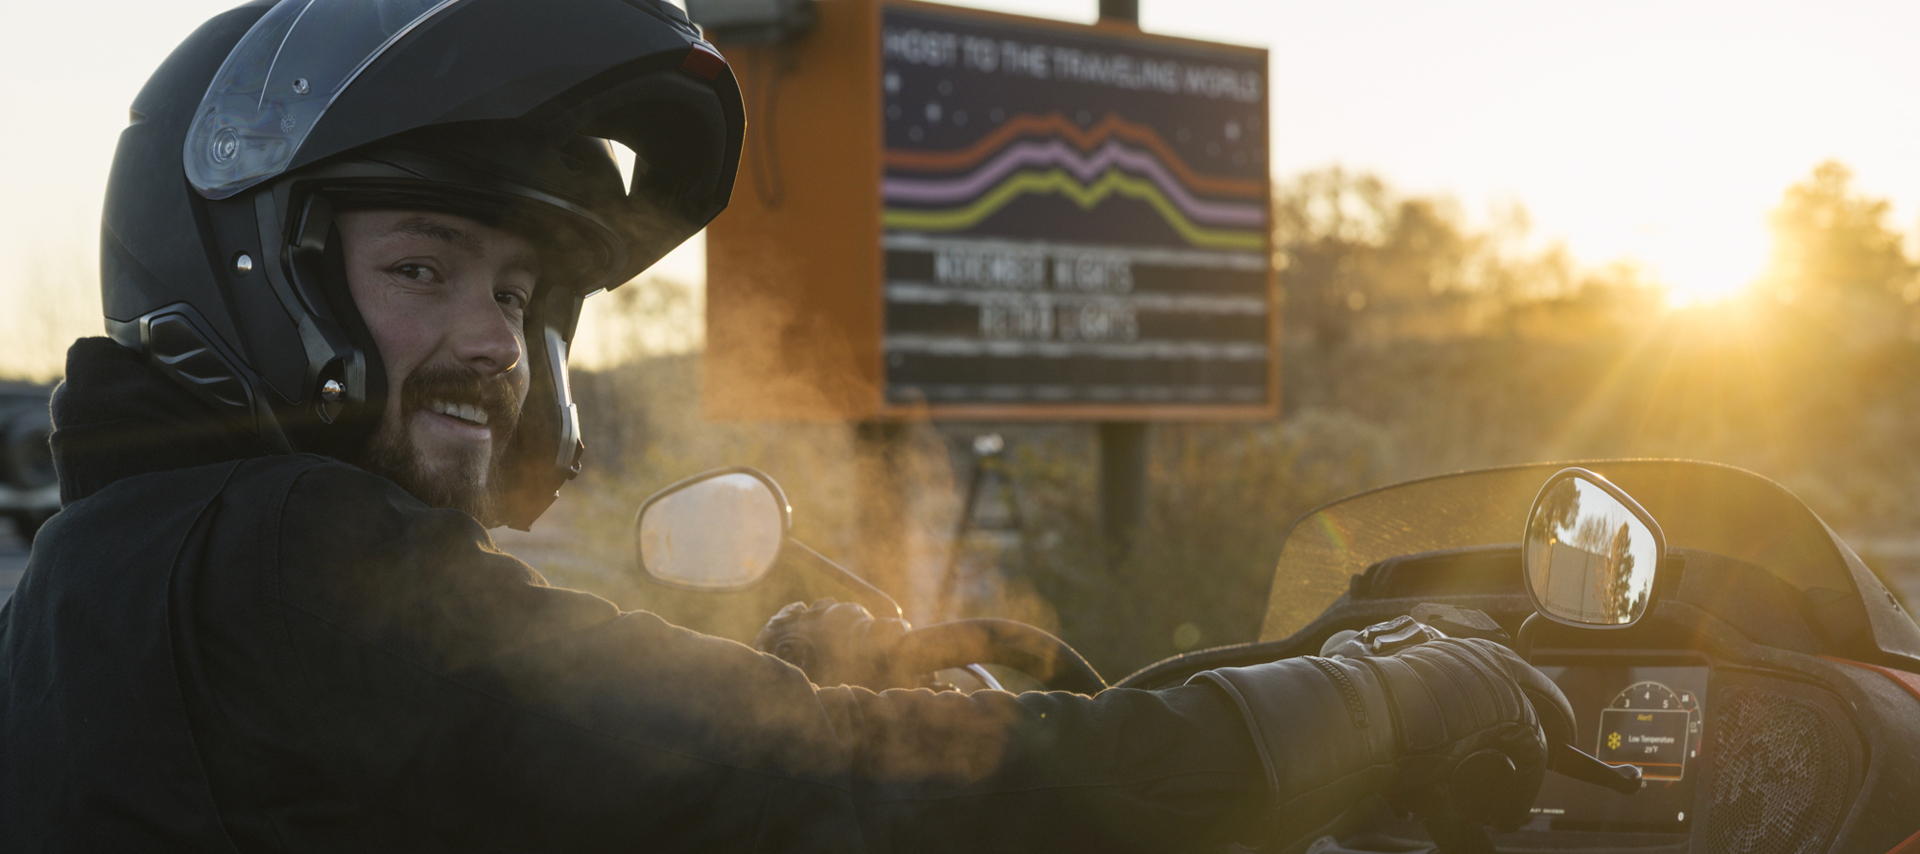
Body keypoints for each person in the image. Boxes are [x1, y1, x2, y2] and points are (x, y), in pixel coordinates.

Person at [0, 1, 1573, 851]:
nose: (490, 339)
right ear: (248, 271)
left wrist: (783, 676)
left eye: (523, 291)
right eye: (423, 269)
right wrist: (1393, 705)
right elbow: (863, 796)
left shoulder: (112, 567)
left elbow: (536, 752)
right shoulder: (288, 555)